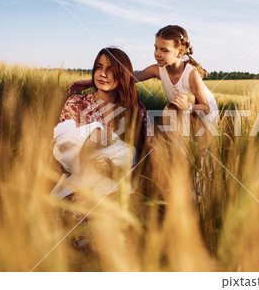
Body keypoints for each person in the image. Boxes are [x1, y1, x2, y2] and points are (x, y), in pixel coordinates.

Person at [51, 48, 150, 256]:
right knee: (93, 234)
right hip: (77, 188)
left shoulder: (136, 109)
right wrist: (88, 151)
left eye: (111, 69)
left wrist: (119, 170)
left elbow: (146, 156)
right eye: (99, 67)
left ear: (123, 74)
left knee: (132, 238)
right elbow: (61, 150)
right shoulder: (77, 103)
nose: (103, 73)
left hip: (120, 189)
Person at [69, 25, 218, 126]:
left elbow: (205, 108)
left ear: (179, 52)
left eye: (164, 50)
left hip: (204, 116)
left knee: (202, 154)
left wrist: (188, 106)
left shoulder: (191, 75)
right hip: (184, 114)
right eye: (156, 48)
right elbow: (128, 79)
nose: (157, 54)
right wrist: (91, 82)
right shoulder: (157, 70)